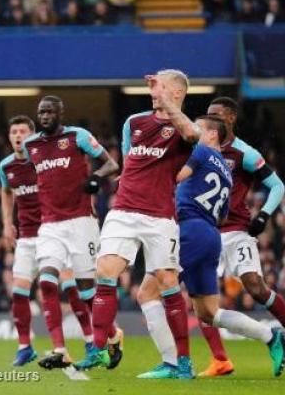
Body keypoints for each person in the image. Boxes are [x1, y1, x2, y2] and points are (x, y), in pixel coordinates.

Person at [75, 70, 199, 379]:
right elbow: (132, 160)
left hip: (159, 216)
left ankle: (182, 362)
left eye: (161, 87)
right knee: (104, 272)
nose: (153, 91)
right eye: (153, 87)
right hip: (124, 211)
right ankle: (100, 348)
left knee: (167, 282)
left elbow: (194, 136)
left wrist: (169, 106)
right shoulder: (134, 122)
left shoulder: (184, 127)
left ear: (178, 93)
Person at [199, 97, 285, 377]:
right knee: (198, 294)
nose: (209, 121)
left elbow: (276, 186)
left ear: (230, 119)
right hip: (204, 231)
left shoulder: (244, 153)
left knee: (255, 286)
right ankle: (220, 359)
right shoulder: (200, 149)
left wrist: (263, 215)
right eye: (208, 116)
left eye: (215, 116)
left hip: (237, 231)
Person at [176, 115, 285, 378]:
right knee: (206, 312)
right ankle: (268, 335)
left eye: (198, 127)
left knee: (159, 287)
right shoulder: (225, 169)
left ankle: (175, 364)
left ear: (213, 133)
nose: (192, 130)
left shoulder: (204, 152)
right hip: (211, 232)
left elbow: (176, 177)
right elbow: (223, 215)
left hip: (196, 230)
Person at [22, 95, 121, 369]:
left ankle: (111, 336)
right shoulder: (31, 146)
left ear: (60, 114)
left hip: (81, 222)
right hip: (50, 224)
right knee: (46, 281)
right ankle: (59, 349)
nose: (44, 116)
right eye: (41, 112)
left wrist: (95, 178)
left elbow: (112, 164)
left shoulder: (78, 136)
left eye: (49, 112)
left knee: (87, 291)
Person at [0, 115, 42, 366]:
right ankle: (25, 346)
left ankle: (100, 338)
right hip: (26, 237)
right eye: (14, 131)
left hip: (52, 233)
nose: (17, 136)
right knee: (19, 292)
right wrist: (6, 222)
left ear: (32, 135)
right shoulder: (5, 166)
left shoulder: (43, 161)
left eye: (22, 131)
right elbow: (6, 191)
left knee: (74, 287)